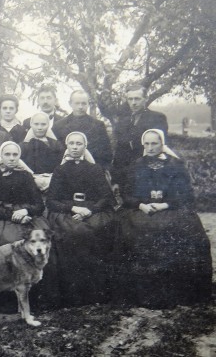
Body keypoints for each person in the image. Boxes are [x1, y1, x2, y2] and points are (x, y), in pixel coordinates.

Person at [113, 129, 212, 309]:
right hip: (141, 209)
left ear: (162, 144)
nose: (150, 148)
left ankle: (179, 290)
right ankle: (138, 291)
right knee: (132, 229)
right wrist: (141, 205)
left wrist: (164, 205)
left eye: (154, 143)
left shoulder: (176, 165)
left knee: (180, 227)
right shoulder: (135, 165)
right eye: (147, 144)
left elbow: (187, 195)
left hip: (170, 208)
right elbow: (126, 195)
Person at [46, 131, 115, 306]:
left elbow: (106, 197)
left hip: (93, 211)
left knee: (97, 230)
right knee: (72, 232)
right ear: (67, 147)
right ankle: (72, 293)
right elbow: (52, 200)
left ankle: (95, 291)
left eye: (79, 144)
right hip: (66, 212)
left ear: (85, 147)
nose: (75, 147)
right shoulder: (60, 170)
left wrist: (90, 210)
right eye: (72, 144)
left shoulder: (95, 169)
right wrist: (73, 207)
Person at [0, 141, 48, 247]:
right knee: (7, 240)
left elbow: (39, 204)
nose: (11, 158)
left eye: (15, 155)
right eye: (7, 154)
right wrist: (13, 215)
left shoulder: (26, 175)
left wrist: (26, 210)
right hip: (1, 217)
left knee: (39, 239)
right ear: (1, 156)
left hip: (27, 214)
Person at [111, 84, 169, 188]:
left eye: (137, 99)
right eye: (130, 99)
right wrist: (115, 180)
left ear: (145, 99)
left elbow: (161, 147)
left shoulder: (157, 118)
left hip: (148, 174)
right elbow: (119, 153)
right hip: (126, 177)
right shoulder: (123, 122)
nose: (133, 103)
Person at [52, 90, 112, 166]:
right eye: (77, 103)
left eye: (83, 103)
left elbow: (106, 152)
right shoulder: (59, 126)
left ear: (88, 104)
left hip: (91, 171)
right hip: (66, 171)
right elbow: (54, 153)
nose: (80, 107)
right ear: (70, 103)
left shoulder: (98, 125)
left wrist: (99, 170)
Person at [21, 112, 64, 191]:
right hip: (30, 183)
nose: (39, 127)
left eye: (43, 124)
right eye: (36, 124)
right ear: (31, 124)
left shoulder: (56, 145)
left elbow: (60, 166)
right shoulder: (23, 146)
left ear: (48, 125)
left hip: (52, 182)